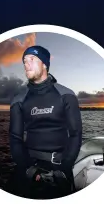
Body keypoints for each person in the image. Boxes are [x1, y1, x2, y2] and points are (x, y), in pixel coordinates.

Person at [9, 45, 82, 199]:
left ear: (45, 64)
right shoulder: (19, 100)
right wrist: (28, 168)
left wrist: (64, 168)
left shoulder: (66, 95)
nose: (26, 64)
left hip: (60, 167)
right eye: (24, 61)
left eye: (32, 59)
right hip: (28, 167)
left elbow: (75, 134)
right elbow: (15, 138)